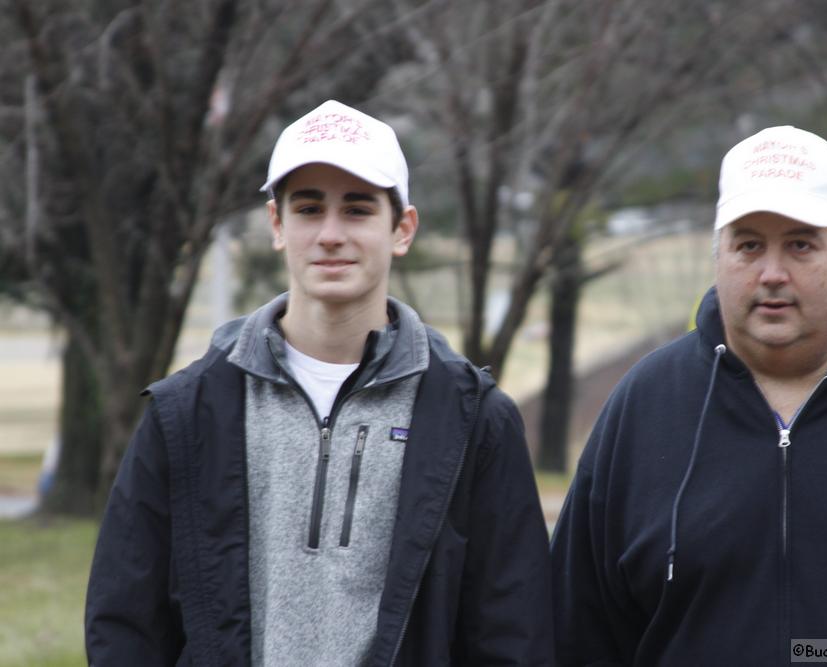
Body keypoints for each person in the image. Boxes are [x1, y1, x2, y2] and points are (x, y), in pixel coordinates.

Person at [86, 100, 555, 666]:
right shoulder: (186, 412)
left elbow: (513, 631)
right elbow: (125, 624)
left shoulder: (471, 419)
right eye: (309, 209)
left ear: (401, 229)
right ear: (278, 226)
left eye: (357, 210)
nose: (331, 234)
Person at [550, 125, 827, 665]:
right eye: (748, 245)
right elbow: (575, 632)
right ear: (717, 258)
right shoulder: (645, 407)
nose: (771, 273)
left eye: (801, 245)